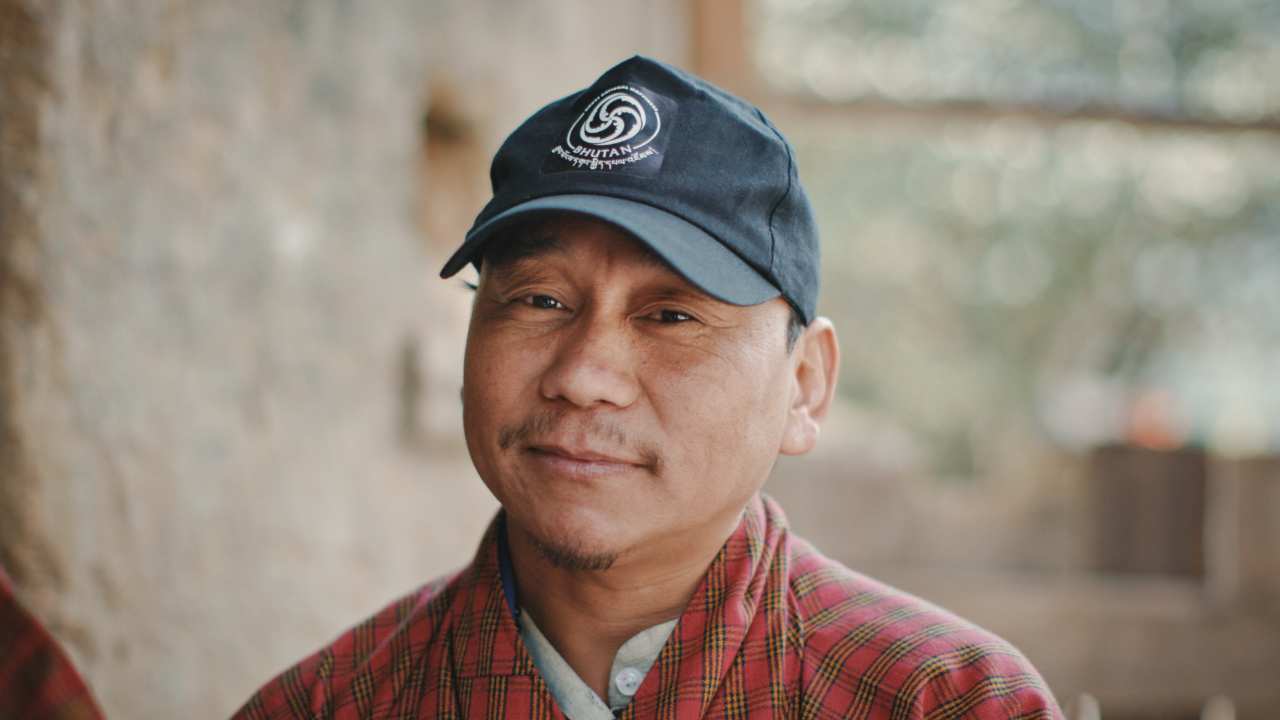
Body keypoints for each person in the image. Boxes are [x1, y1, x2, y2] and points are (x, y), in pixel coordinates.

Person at [234, 56, 1063, 719]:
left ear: (804, 387)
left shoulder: (947, 702)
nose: (583, 376)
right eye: (539, 300)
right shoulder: (327, 705)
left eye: (671, 316)